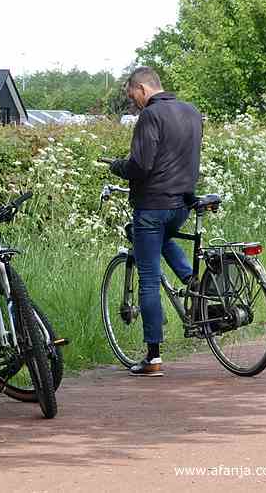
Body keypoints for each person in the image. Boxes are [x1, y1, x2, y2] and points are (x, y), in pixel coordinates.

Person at [108, 66, 203, 377]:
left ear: (143, 89)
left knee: (148, 280)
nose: (134, 102)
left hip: (152, 206)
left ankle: (153, 357)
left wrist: (118, 167)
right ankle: (194, 283)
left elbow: (142, 165)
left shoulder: (151, 115)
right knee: (164, 240)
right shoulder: (191, 111)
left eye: (132, 95)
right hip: (182, 205)